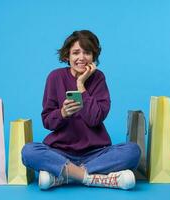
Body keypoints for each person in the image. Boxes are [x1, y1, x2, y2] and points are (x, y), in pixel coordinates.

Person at [22, 30, 141, 190]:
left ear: (93, 56)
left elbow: (95, 118)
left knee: (132, 151)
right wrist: (62, 113)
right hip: (60, 152)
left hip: (96, 153)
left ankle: (64, 176)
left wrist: (81, 85)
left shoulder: (98, 78)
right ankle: (93, 178)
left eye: (87, 52)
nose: (81, 58)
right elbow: (47, 121)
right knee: (29, 151)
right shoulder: (55, 77)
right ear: (67, 56)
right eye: (76, 52)